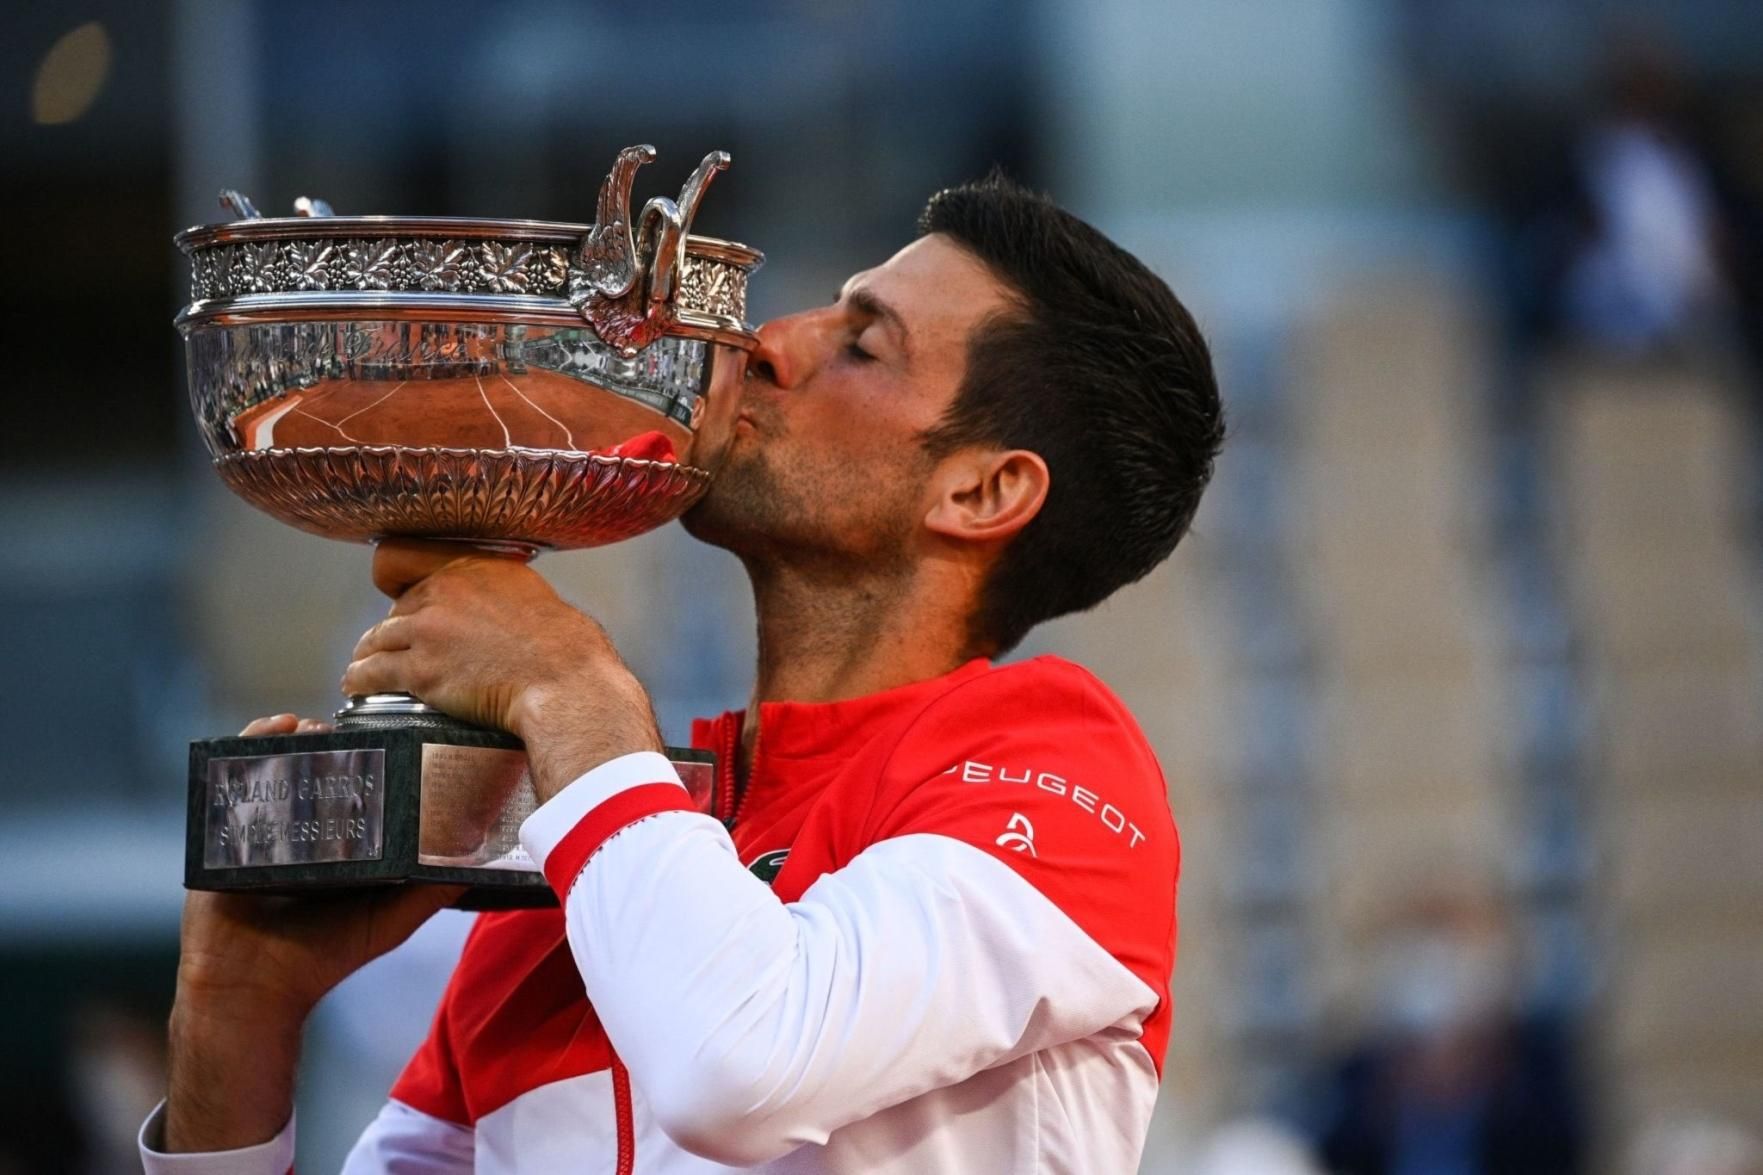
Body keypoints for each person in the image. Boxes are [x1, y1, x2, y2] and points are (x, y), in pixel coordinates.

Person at [141, 175, 1224, 1173]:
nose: (766, 340)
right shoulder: (593, 855)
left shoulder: (1049, 762)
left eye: (862, 345)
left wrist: (563, 679)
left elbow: (739, 1068)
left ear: (982, 491)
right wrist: (233, 1015)